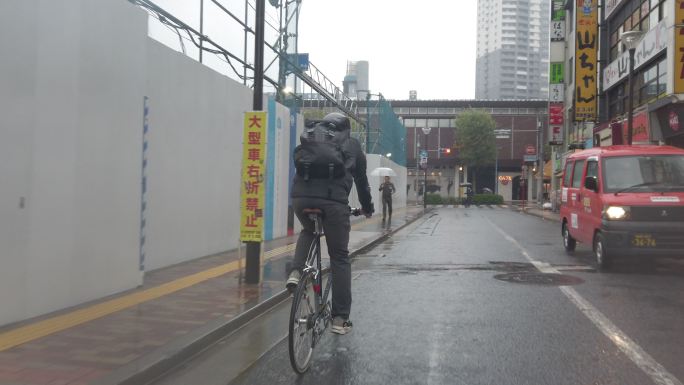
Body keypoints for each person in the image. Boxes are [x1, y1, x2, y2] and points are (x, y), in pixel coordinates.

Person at [287, 112, 374, 335]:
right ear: (347, 129)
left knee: (308, 230)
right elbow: (362, 183)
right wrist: (368, 208)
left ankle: (296, 272)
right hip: (333, 204)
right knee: (339, 257)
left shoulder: (311, 136)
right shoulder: (352, 145)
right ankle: (339, 318)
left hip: (300, 199)